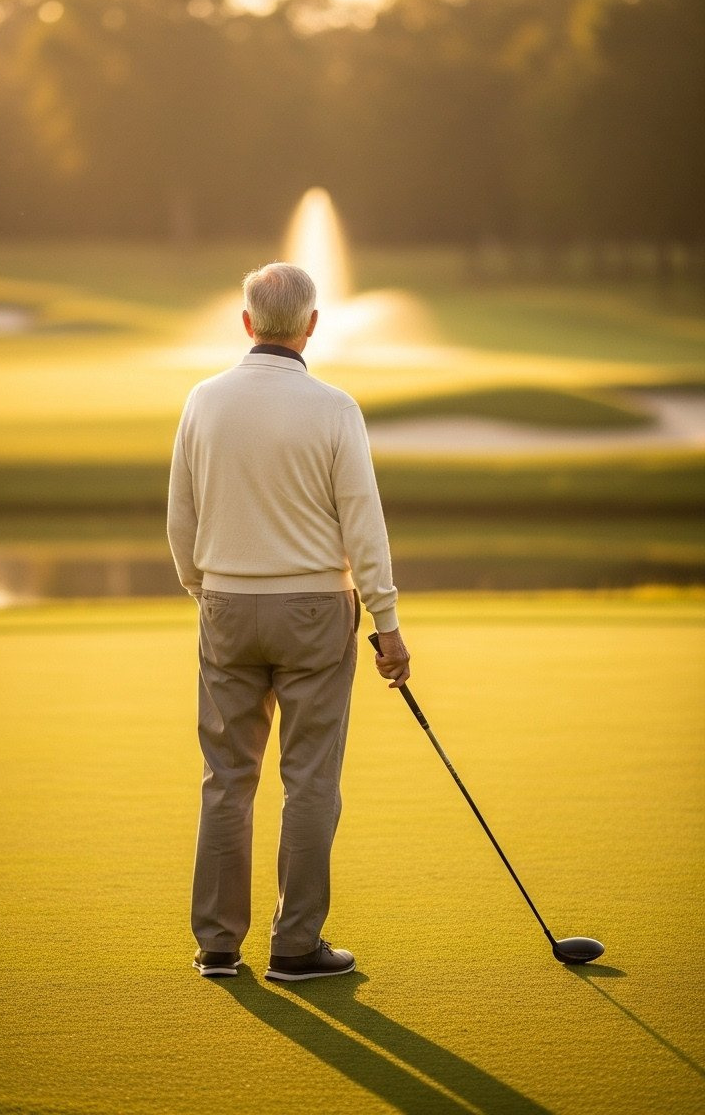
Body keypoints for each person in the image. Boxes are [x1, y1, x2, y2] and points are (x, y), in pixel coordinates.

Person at [166, 261, 410, 981]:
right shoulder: (335, 408)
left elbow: (182, 518)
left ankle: (217, 945)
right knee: (309, 781)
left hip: (227, 606)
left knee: (226, 779)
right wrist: (388, 623)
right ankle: (296, 947)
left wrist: (202, 592)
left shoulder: (202, 401)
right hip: (313, 610)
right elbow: (363, 528)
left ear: (246, 323)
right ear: (310, 325)